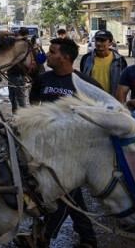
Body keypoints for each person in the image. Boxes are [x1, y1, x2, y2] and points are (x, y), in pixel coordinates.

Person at [18, 38, 100, 248]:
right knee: (71, 194)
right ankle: (88, 238)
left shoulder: (84, 83)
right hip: (45, 147)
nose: (47, 54)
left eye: (52, 51)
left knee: (64, 191)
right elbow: (33, 107)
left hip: (73, 149)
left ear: (65, 57)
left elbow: (103, 112)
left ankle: (43, 237)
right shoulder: (42, 79)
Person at [79, 30, 127, 96]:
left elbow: (123, 82)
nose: (98, 43)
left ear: (110, 43)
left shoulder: (119, 60)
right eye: (97, 40)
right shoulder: (87, 58)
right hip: (91, 99)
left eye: (102, 41)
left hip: (111, 99)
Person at [7, 27, 30, 114]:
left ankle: (23, 116)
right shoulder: (16, 43)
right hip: (12, 74)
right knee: (12, 96)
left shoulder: (25, 44)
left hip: (20, 74)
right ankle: (15, 115)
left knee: (20, 97)